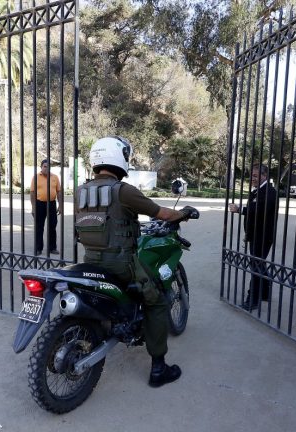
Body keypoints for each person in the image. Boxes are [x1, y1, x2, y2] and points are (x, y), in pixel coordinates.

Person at [74, 136, 193, 388]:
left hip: (90, 261)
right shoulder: (123, 190)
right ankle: (159, 369)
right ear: (119, 158)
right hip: (121, 264)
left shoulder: (81, 191)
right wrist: (183, 213)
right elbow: (163, 213)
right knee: (157, 301)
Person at [228, 164, 278, 311]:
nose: (252, 179)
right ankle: (265, 292)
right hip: (255, 234)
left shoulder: (270, 192)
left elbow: (259, 210)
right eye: (252, 176)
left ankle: (253, 299)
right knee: (259, 263)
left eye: (255, 176)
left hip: (263, 236)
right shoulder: (257, 191)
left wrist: (240, 209)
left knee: (256, 265)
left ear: (265, 175)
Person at [30, 159, 63, 255]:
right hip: (39, 204)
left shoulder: (55, 177)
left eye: (48, 167)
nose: (46, 168)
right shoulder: (35, 177)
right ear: (41, 167)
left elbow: (59, 192)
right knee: (39, 227)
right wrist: (33, 207)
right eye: (44, 166)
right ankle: (38, 248)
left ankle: (52, 248)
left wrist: (60, 206)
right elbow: (32, 193)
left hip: (52, 204)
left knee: (52, 226)